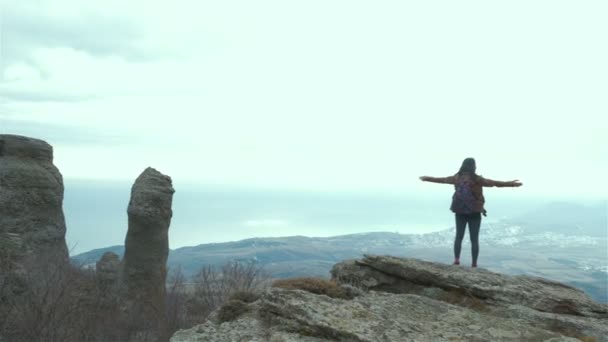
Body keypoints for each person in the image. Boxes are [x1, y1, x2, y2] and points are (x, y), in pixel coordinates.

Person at [419, 157, 522, 268]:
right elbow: (495, 183)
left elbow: (441, 180)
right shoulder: (477, 179)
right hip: (475, 212)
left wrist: (426, 178)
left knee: (459, 236)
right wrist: (511, 184)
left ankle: (457, 260)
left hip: (460, 211)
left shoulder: (456, 178)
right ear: (474, 166)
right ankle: (474, 264)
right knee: (474, 239)